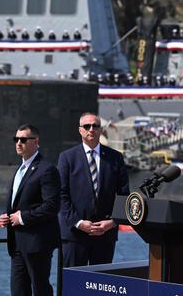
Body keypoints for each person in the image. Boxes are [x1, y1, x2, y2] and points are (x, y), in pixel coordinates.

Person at [58, 113, 129, 267]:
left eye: (95, 126)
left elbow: (124, 195)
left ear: (101, 130)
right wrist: (79, 222)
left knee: (101, 286)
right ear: (80, 130)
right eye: (87, 126)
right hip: (74, 235)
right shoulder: (67, 158)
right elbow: (62, 195)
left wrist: (112, 222)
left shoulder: (115, 158)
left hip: (105, 234)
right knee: (73, 287)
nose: (91, 129)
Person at [0, 124, 60, 296]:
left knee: (40, 290)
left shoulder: (47, 170)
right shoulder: (19, 170)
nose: (19, 143)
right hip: (17, 244)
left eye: (24, 139)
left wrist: (23, 218)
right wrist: (8, 217)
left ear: (36, 142)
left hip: (37, 244)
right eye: (16, 139)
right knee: (18, 291)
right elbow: (19, 204)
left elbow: (52, 206)